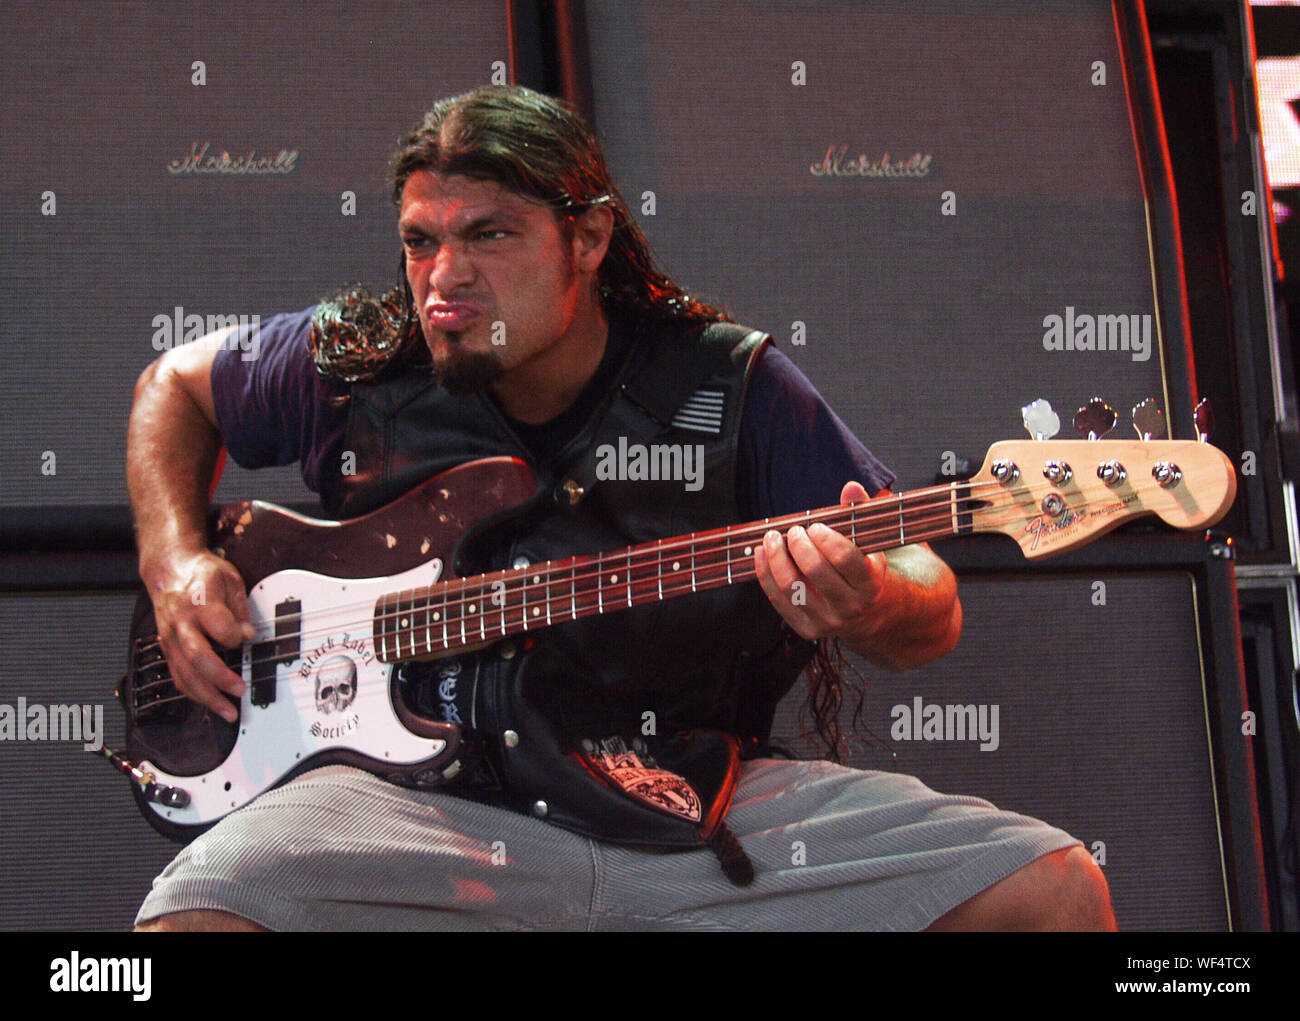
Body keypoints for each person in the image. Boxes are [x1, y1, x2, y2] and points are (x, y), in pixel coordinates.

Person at [126, 85, 1114, 931]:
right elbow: (173, 387)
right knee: (197, 912)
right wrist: (174, 561)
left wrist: (869, 605)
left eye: (489, 236)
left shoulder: (725, 383)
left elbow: (923, 597)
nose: (443, 279)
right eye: (420, 242)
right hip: (417, 806)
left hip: (682, 796)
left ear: (588, 236)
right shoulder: (366, 352)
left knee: (1052, 892)